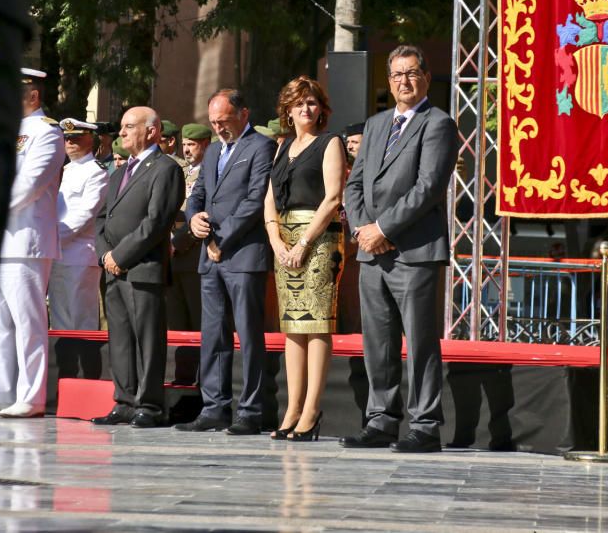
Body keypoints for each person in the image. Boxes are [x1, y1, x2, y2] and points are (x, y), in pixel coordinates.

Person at [341, 45, 458, 453]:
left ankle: (425, 425)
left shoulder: (438, 124)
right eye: (396, 75)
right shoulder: (374, 126)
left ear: (425, 76)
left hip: (416, 252)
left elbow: (427, 188)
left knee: (420, 341)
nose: (403, 81)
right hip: (371, 253)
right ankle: (381, 420)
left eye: (411, 73)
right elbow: (353, 185)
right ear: (388, 82)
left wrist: (384, 228)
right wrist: (363, 230)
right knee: (379, 341)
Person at [177, 89, 276, 435]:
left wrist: (222, 238)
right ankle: (214, 406)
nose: (218, 128)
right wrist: (193, 220)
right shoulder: (215, 150)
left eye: (224, 120)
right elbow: (199, 194)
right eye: (214, 122)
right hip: (210, 256)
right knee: (213, 334)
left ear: (243, 114)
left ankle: (250, 410)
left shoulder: (261, 146)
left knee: (248, 334)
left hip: (243, 254)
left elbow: (255, 200)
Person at [263, 77, 346, 441]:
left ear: (321, 109)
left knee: (316, 324)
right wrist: (276, 241)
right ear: (288, 110)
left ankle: (311, 410)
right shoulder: (282, 146)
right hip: (284, 239)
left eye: (312, 103)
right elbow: (269, 198)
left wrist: (303, 243)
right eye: (299, 103)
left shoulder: (330, 143)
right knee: (292, 327)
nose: (306, 109)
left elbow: (332, 198)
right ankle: (291, 409)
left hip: (319, 238)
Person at [91, 107, 184, 428]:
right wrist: (105, 255)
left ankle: (150, 404)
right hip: (113, 268)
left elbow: (156, 221)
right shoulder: (119, 172)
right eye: (122, 128)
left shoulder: (165, 169)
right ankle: (125, 400)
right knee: (120, 338)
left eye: (129, 127)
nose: (122, 133)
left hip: (143, 268)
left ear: (152, 131)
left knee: (147, 339)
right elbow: (102, 217)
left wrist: (121, 256)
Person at [0, 70, 66, 419]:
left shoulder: (46, 132)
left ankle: (31, 395)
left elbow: (30, 183)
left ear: (32, 96)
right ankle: (0, 388)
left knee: (27, 322)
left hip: (26, 242)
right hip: (1, 241)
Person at [49, 118, 110, 380]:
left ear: (90, 139)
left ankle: (87, 380)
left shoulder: (96, 172)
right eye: (67, 138)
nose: (70, 143)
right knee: (62, 322)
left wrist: (49, 238)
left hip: (79, 256)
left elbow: (84, 215)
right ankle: (66, 379)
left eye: (76, 138)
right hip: (59, 254)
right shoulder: (66, 169)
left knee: (82, 321)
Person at [167, 123, 213, 420]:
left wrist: (180, 241)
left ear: (206, 144)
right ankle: (182, 387)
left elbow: (204, 212)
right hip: (173, 258)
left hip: (194, 255)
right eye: (185, 144)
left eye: (193, 144)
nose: (187, 149)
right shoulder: (181, 172)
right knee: (178, 327)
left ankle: (201, 390)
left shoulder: (209, 171)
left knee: (199, 326)